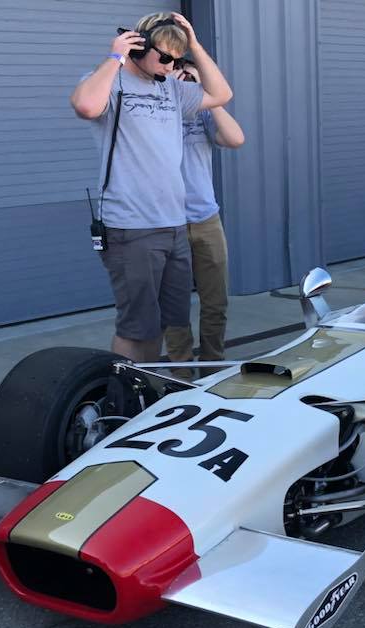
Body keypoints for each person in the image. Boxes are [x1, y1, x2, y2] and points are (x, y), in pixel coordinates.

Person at [69, 12, 232, 362]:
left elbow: (221, 93)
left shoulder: (172, 88)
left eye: (176, 58)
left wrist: (195, 45)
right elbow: (85, 105)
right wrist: (115, 56)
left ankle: (148, 384)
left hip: (174, 225)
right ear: (140, 47)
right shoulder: (110, 83)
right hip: (132, 226)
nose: (170, 66)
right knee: (136, 327)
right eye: (165, 57)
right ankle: (125, 391)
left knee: (163, 322)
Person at [164, 60, 245, 377]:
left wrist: (205, 94)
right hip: (167, 222)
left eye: (188, 74)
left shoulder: (205, 113)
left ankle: (213, 367)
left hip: (206, 219)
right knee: (174, 307)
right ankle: (181, 375)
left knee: (216, 302)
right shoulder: (156, 111)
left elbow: (235, 138)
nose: (183, 79)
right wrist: (169, 92)